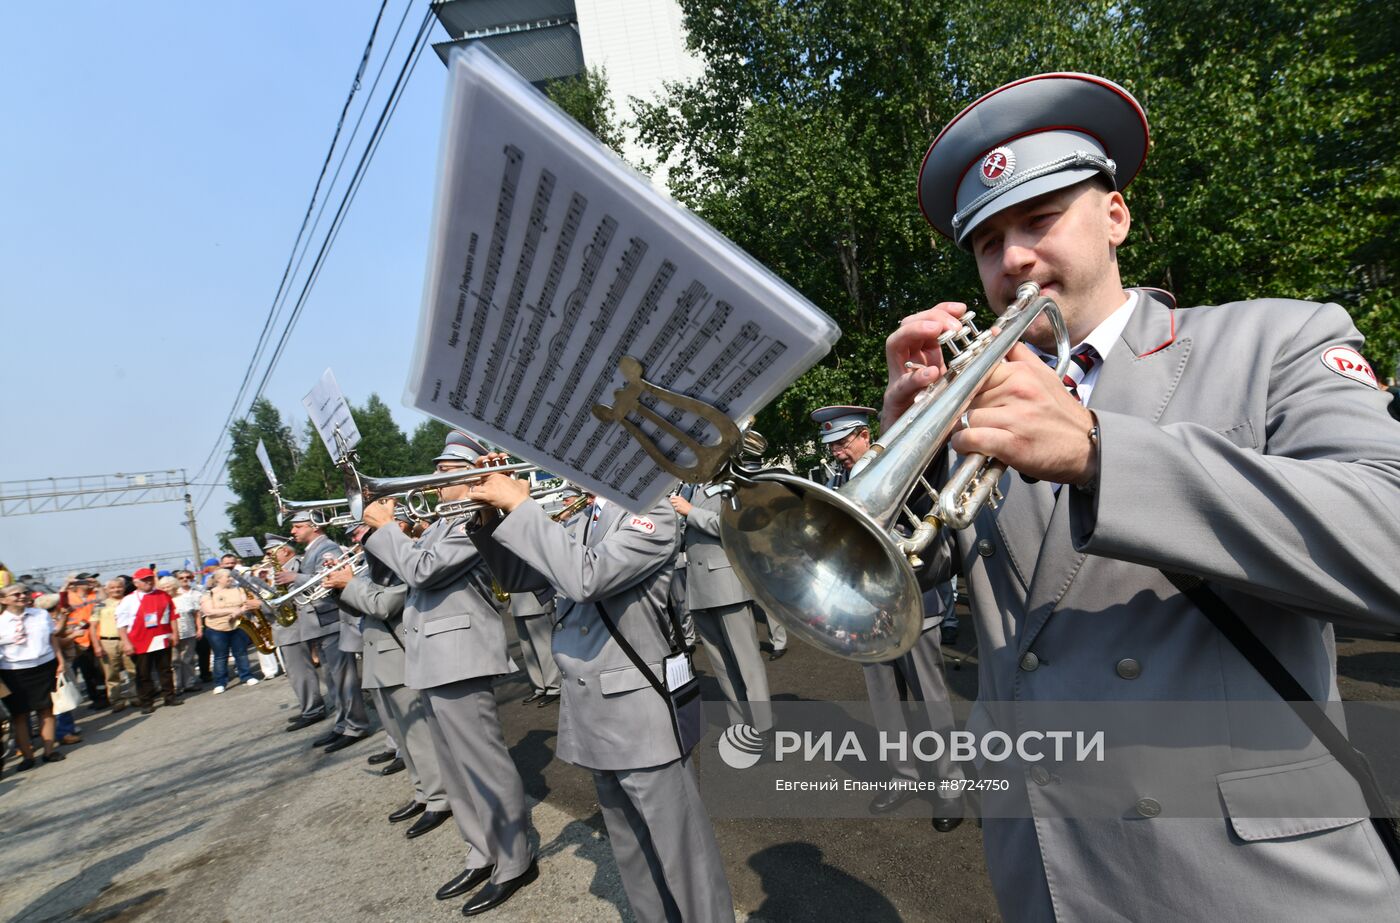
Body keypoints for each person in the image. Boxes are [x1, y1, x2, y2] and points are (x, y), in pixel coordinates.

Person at [882, 71, 1400, 919]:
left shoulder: (1278, 337)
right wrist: (905, 452)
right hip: (1051, 865)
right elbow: (898, 596)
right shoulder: (976, 404)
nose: (1012, 256)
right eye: (986, 242)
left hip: (1252, 879)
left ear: (1115, 216)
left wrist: (1098, 452)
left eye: (1039, 219)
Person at [468, 453, 735, 922]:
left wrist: (523, 506)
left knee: (683, 857)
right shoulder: (584, 515)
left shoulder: (652, 512)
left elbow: (586, 578)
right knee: (631, 852)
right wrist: (494, 515)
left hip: (638, 712)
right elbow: (521, 577)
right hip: (593, 708)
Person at [361, 432, 537, 914]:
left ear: (469, 477)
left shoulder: (474, 523)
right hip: (431, 657)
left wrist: (386, 530)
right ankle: (482, 851)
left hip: (462, 654)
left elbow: (420, 572)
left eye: (444, 473)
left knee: (484, 764)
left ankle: (515, 860)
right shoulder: (441, 524)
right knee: (457, 770)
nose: (434, 480)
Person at [808, 405, 965, 828]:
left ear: (863, 435)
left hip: (911, 598)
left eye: (841, 443)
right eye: (832, 446)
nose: (837, 453)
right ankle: (903, 776)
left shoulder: (902, 465)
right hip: (863, 610)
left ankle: (950, 785)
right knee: (884, 703)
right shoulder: (836, 478)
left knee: (931, 701)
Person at [329, 520, 453, 840]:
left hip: (399, 657)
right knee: (402, 738)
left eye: (360, 532)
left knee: (419, 738)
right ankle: (422, 792)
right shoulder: (373, 568)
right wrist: (337, 587)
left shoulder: (400, 564)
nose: (357, 540)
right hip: (377, 661)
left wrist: (349, 584)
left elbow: (383, 605)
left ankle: (440, 798)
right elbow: (360, 605)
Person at [670, 482, 774, 739]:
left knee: (746, 661)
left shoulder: (728, 484)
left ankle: (764, 726)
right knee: (722, 666)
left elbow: (733, 526)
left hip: (726, 584)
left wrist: (690, 511)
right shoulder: (688, 488)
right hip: (699, 587)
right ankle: (739, 726)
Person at [275, 514, 369, 750]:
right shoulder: (311, 549)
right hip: (318, 622)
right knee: (332, 679)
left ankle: (355, 725)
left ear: (314, 527)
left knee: (343, 679)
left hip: (330, 620)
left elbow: (332, 579)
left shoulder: (326, 547)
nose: (293, 531)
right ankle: (342, 724)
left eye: (298, 526)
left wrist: (295, 577)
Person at [259, 533, 333, 731]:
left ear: (283, 551)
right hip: (287, 626)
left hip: (295, 625)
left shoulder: (296, 565)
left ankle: (313, 709)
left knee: (301, 671)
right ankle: (309, 707)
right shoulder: (282, 568)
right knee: (295, 672)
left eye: (270, 553)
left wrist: (260, 603)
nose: (267, 557)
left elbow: (297, 596)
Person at [0, 582, 66, 768]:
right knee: (20, 715)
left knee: (46, 709)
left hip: (44, 666)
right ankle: (28, 757)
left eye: (25, 593)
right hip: (14, 672)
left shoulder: (41, 614)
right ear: (3, 600)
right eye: (16, 594)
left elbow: (51, 638)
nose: (22, 596)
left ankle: (49, 751)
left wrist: (60, 660)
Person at [114, 568, 182, 714]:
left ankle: (169, 697)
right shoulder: (128, 600)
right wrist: (126, 643)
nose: (148, 582)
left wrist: (175, 633)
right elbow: (121, 625)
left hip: (162, 638)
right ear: (136, 582)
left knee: (165, 670)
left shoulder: (163, 595)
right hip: (140, 642)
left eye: (150, 579)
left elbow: (172, 616)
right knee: (143, 674)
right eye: (144, 580)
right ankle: (146, 702)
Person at [197, 569, 260, 694]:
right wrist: (233, 610)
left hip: (238, 626)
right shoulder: (209, 593)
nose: (230, 579)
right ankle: (220, 682)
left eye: (231, 577)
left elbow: (246, 604)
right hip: (216, 629)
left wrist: (240, 611)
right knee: (220, 656)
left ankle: (246, 675)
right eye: (227, 577)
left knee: (241, 653)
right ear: (218, 579)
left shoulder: (238, 590)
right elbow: (209, 611)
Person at [510, 589, 560, 707]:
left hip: (535, 597)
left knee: (543, 647)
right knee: (528, 651)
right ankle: (539, 687)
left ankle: (554, 687)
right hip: (517, 600)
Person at [94, 576, 136, 711]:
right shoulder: (100, 605)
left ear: (124, 588)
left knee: (133, 670)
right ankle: (116, 700)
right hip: (108, 642)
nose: (116, 589)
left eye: (119, 587)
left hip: (129, 640)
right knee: (111, 673)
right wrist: (97, 645)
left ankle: (135, 696)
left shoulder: (130, 601)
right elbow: (92, 627)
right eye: (112, 587)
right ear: (107, 589)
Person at [170, 570, 204, 693]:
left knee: (188, 659)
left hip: (189, 632)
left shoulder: (188, 596)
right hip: (172, 634)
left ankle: (190, 683)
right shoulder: (168, 597)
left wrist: (199, 628)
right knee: (175, 662)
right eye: (181, 578)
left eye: (187, 577)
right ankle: (176, 686)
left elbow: (196, 613)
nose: (185, 579)